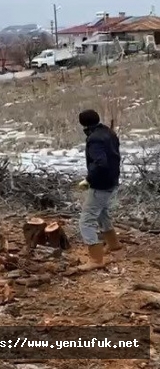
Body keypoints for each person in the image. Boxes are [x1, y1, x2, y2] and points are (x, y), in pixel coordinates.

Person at [77, 109, 122, 271]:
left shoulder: (95, 139)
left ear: (83, 123)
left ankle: (96, 259)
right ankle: (114, 244)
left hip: (101, 184)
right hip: (112, 180)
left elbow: (101, 162)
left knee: (86, 221)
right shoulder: (108, 132)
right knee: (102, 213)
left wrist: (88, 179)